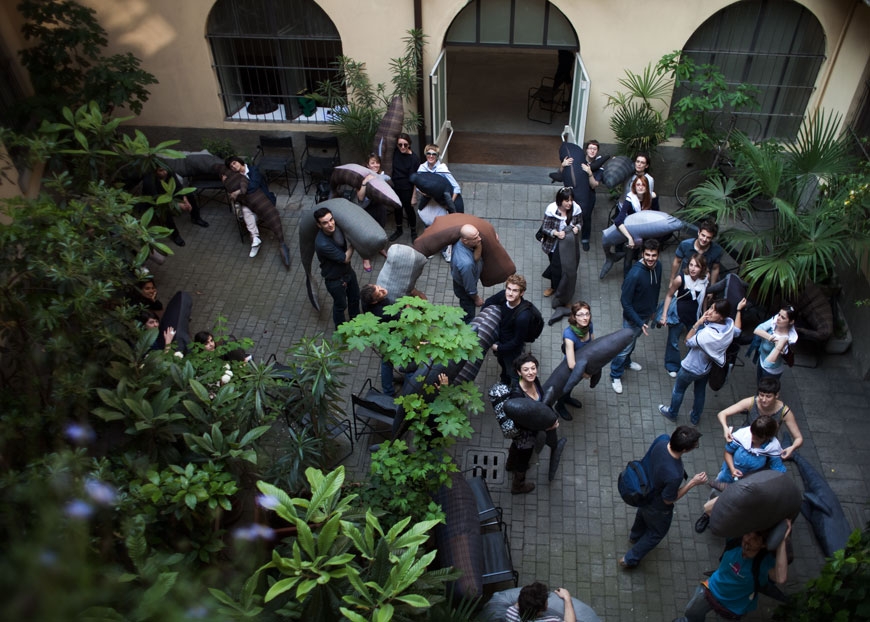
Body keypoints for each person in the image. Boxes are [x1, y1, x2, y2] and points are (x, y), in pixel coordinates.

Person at [619, 426, 707, 569]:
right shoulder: (675, 474)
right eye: (695, 445)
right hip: (656, 505)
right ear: (684, 450)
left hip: (643, 490)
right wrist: (692, 483)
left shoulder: (662, 439)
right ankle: (630, 558)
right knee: (656, 533)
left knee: (641, 514)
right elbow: (668, 499)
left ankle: (634, 536)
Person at [674, 522, 792, 621]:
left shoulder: (764, 564)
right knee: (691, 613)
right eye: (748, 533)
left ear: (764, 545)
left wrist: (781, 541)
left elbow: (780, 578)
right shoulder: (735, 540)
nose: (747, 539)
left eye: (755, 539)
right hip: (711, 588)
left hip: (733, 606)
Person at [658, 298, 745, 425]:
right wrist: (739, 310)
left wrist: (697, 323)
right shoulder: (728, 328)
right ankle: (695, 417)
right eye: (711, 308)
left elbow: (687, 341)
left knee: (679, 389)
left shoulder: (708, 334)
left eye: (714, 311)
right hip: (706, 368)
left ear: (721, 317)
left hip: (690, 367)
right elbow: (738, 329)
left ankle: (672, 412)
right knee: (700, 392)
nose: (709, 312)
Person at [693, 415, 786, 533]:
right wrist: (732, 469)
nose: (752, 438)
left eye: (757, 437)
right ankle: (707, 515)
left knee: (735, 504)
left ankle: (722, 520)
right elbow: (728, 452)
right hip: (728, 475)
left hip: (748, 482)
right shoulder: (742, 435)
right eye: (752, 434)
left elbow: (777, 470)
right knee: (715, 494)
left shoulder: (772, 448)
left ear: (766, 437)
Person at [610, 239, 663, 395]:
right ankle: (615, 374)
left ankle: (626, 363)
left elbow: (656, 288)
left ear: (658, 255)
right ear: (642, 254)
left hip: (645, 317)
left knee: (631, 343)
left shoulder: (658, 266)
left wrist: (653, 310)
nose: (651, 258)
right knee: (624, 348)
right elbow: (625, 301)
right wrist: (640, 322)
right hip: (633, 319)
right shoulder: (635, 274)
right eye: (647, 255)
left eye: (654, 255)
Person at [507, 353, 567, 489]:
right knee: (524, 457)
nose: (531, 372)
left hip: (533, 428)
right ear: (519, 372)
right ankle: (518, 485)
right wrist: (546, 427)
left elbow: (542, 403)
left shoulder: (535, 380)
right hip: (525, 433)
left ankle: (510, 464)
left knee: (516, 448)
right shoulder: (517, 395)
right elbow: (521, 422)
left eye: (533, 368)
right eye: (526, 369)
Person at [716, 376, 804, 460]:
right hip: (745, 440)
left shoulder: (784, 411)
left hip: (766, 447)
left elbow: (798, 438)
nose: (763, 399)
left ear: (776, 395)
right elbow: (722, 413)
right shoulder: (751, 402)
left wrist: (792, 448)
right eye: (761, 395)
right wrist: (725, 427)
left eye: (768, 396)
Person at [222, 168, 290, 266]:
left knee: (266, 215)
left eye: (234, 163)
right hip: (247, 205)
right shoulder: (232, 182)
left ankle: (278, 243)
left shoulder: (252, 172)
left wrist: (237, 192)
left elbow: (252, 187)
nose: (234, 166)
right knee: (246, 212)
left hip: (261, 201)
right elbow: (234, 198)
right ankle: (255, 239)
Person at [660, 254, 709, 378]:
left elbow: (703, 299)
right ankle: (672, 365)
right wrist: (664, 315)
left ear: (702, 268)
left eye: (697, 266)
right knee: (673, 341)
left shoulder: (704, 280)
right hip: (678, 315)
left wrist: (704, 315)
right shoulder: (681, 279)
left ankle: (689, 364)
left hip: (694, 317)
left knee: (693, 341)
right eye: (691, 265)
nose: (693, 268)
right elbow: (669, 295)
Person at [600, 175, 658, 279]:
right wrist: (629, 238)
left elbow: (656, 215)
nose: (640, 187)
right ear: (634, 186)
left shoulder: (651, 198)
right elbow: (618, 220)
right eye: (638, 184)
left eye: (643, 185)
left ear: (647, 187)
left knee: (645, 255)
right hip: (632, 232)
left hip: (646, 232)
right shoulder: (630, 199)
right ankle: (627, 278)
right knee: (629, 257)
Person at [313, 207, 361, 329]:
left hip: (348, 273)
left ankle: (356, 321)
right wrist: (355, 243)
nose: (330, 224)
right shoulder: (322, 244)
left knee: (355, 297)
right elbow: (345, 258)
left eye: (331, 220)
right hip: (335, 280)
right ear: (319, 225)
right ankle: (341, 329)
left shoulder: (336, 228)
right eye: (325, 222)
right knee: (340, 305)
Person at [484, 274, 534, 386]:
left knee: (514, 371)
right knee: (502, 362)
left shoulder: (523, 317)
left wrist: (498, 347)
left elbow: (517, 342)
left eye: (515, 291)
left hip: (511, 349)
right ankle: (504, 379)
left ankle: (516, 389)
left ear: (522, 293)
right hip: (501, 340)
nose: (510, 293)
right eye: (509, 289)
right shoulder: (503, 296)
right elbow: (487, 303)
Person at [141, 165, 209, 247]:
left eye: (165, 170)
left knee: (189, 194)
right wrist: (177, 204)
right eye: (161, 170)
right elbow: (156, 199)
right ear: (155, 172)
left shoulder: (169, 172)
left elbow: (179, 187)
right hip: (157, 201)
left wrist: (185, 200)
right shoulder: (149, 181)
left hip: (170, 195)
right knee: (165, 212)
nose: (164, 172)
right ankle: (175, 235)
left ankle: (196, 218)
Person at [539, 187, 582, 297]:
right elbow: (545, 227)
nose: (570, 203)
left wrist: (577, 227)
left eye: (571, 200)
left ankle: (564, 292)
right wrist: (556, 233)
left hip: (568, 246)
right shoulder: (551, 210)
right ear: (560, 200)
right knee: (555, 267)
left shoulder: (576, 209)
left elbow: (580, 222)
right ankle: (554, 287)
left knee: (566, 269)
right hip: (553, 246)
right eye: (566, 201)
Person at [556, 301, 595, 420]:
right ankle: (560, 405)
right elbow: (571, 364)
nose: (585, 318)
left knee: (572, 384)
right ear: (574, 316)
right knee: (565, 386)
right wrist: (585, 374)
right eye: (581, 315)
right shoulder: (569, 334)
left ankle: (567, 398)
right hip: (570, 368)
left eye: (587, 314)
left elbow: (593, 343)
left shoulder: (589, 326)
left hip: (582, 363)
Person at [561, 140, 603, 251]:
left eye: (595, 149)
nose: (592, 151)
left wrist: (589, 173)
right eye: (590, 148)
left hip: (588, 195)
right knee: (569, 214)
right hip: (574, 193)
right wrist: (563, 166)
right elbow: (562, 175)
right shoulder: (578, 159)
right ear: (586, 150)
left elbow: (594, 185)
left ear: (597, 151)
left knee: (586, 216)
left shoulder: (599, 167)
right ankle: (568, 234)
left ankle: (585, 238)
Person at [356, 153, 391, 272]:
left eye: (377, 162)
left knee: (381, 229)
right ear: (367, 164)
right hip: (367, 209)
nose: (375, 165)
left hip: (379, 207)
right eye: (372, 163)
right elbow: (360, 198)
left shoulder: (382, 175)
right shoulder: (361, 176)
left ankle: (380, 248)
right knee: (366, 234)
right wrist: (365, 182)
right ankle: (366, 257)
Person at [360, 283, 396, 396]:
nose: (381, 289)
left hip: (380, 334)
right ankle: (389, 392)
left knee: (386, 362)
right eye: (379, 292)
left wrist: (381, 295)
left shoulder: (366, 299)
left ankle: (388, 390)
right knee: (387, 362)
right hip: (390, 337)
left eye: (377, 286)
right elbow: (400, 316)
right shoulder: (383, 312)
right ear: (375, 301)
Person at [669, 220, 724, 286]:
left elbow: (715, 269)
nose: (704, 239)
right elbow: (677, 261)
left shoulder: (716, 250)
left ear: (712, 238)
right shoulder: (685, 245)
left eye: (708, 237)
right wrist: (672, 280)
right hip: (684, 282)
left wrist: (712, 288)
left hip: (702, 284)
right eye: (703, 235)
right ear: (698, 232)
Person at [414, 143, 464, 213]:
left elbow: (456, 187)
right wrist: (424, 193)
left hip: (451, 197)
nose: (431, 156)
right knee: (422, 212)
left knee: (457, 219)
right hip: (435, 198)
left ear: (437, 156)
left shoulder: (442, 168)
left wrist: (450, 203)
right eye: (429, 153)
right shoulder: (422, 168)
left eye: (434, 154)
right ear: (426, 154)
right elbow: (418, 185)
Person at [751, 305, 798, 380]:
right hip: (761, 360)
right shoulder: (775, 322)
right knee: (758, 384)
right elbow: (757, 330)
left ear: (791, 321)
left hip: (771, 371)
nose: (778, 318)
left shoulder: (785, 340)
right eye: (779, 314)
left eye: (783, 317)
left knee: (764, 390)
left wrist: (779, 346)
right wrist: (773, 339)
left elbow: (767, 364)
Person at [389, 133, 420, 242]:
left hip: (407, 188)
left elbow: (416, 179)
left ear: (409, 144)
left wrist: (414, 195)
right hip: (395, 186)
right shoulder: (395, 152)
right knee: (397, 208)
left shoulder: (414, 159)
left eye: (405, 145)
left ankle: (413, 231)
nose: (402, 147)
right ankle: (399, 230)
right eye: (400, 145)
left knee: (409, 210)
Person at [451, 224, 484, 323]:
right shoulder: (466, 264)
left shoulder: (462, 242)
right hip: (464, 288)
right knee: (468, 311)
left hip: (462, 280)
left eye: (478, 235)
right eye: (475, 238)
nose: (479, 239)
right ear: (465, 241)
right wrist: (476, 298)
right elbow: (470, 289)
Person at [505, 581, 576, 622]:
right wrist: (567, 598)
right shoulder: (552, 620)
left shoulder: (510, 613)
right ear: (541, 609)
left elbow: (519, 604)